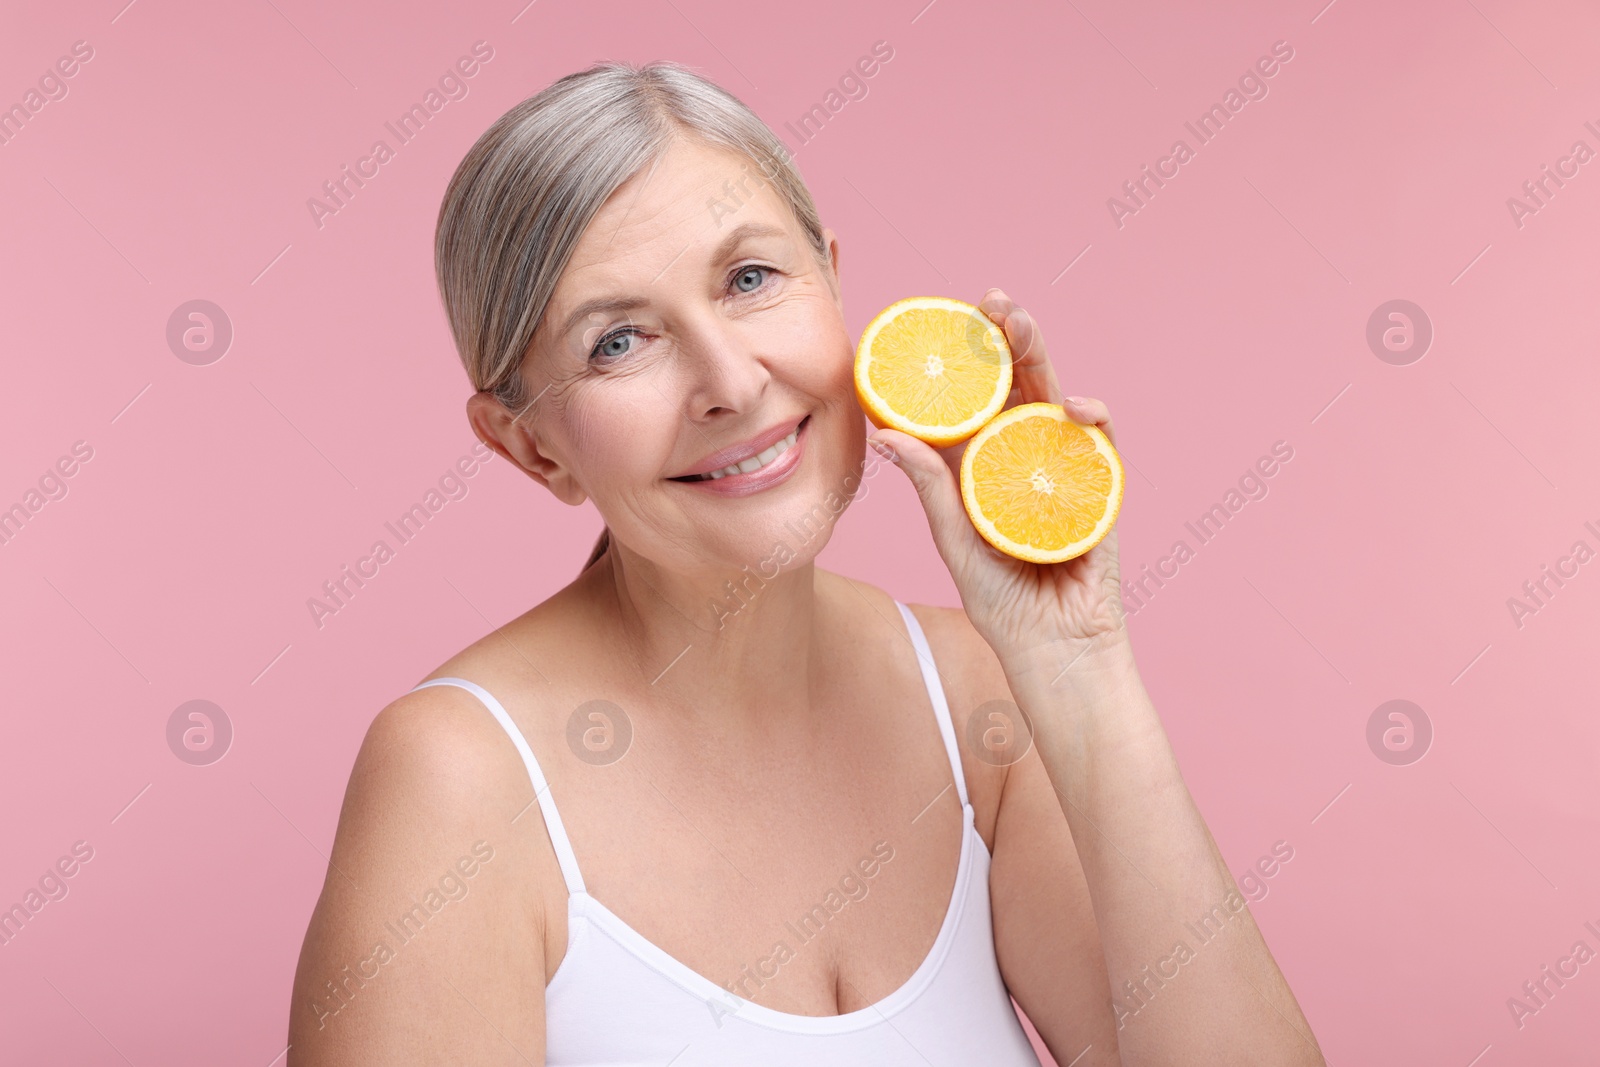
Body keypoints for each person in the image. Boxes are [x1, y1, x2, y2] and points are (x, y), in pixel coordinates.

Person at [288, 61, 1324, 1066]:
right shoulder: (459, 778)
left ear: (831, 279)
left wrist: (1080, 669)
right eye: (617, 342)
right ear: (530, 446)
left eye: (748, 279)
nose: (731, 382)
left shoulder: (975, 699)